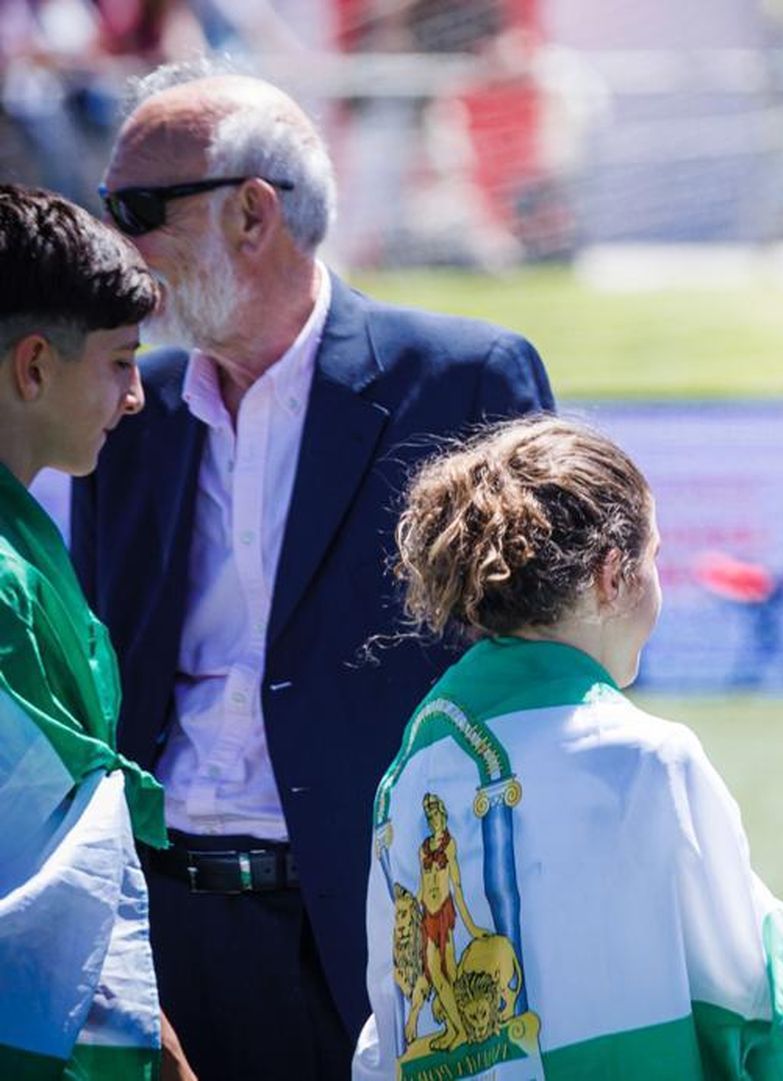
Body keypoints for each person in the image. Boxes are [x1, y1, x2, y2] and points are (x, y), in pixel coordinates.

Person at [72, 61, 556, 1081]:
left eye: (140, 208)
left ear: (255, 213)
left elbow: (540, 665)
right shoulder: (126, 410)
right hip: (164, 935)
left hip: (390, 921)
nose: (118, 242)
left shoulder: (462, 380)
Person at [352, 417, 783, 1079]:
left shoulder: (415, 768)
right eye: (654, 556)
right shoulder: (643, 759)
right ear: (611, 574)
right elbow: (754, 988)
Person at [0, 184, 194, 1078]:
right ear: (33, 367)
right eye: (122, 362)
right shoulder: (7, 582)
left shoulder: (24, 537)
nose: (135, 397)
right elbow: (52, 876)